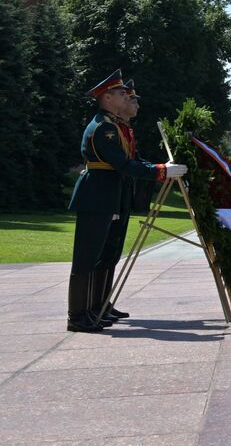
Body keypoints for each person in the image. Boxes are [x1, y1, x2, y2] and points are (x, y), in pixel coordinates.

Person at [67, 70, 186, 332]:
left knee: (108, 254)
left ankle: (97, 306)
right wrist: (161, 171)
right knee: (87, 257)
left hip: (113, 194)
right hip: (98, 195)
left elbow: (133, 161)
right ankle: (77, 315)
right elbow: (122, 164)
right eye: (122, 93)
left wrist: (161, 168)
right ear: (107, 98)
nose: (127, 96)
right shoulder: (104, 128)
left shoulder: (115, 126)